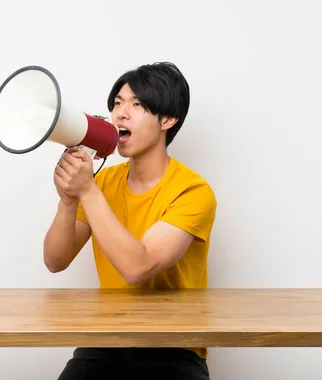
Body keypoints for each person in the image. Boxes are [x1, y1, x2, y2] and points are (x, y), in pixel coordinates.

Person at [43, 62, 217, 380]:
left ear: (168, 119)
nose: (121, 113)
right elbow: (55, 261)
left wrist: (87, 190)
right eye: (117, 103)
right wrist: (68, 200)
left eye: (137, 105)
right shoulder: (104, 181)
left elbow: (138, 267)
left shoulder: (193, 191)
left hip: (174, 348)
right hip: (106, 342)